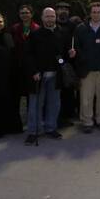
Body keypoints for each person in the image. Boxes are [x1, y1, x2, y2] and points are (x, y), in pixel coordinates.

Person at [23, 8, 68, 144]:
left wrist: (65, 59)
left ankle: (50, 128)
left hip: (56, 75)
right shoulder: (35, 34)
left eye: (52, 16)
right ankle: (33, 131)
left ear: (56, 17)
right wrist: (34, 71)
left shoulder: (61, 33)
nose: (50, 19)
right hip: (39, 75)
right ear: (42, 18)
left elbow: (62, 55)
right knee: (36, 104)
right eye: (47, 16)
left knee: (54, 104)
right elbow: (28, 55)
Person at [72, 2, 100, 133]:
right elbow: (76, 47)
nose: (96, 14)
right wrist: (79, 57)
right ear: (90, 13)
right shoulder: (81, 29)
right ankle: (87, 121)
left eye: (98, 12)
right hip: (86, 70)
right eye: (94, 12)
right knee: (86, 97)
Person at [9, 5, 40, 117]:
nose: (24, 15)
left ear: (31, 14)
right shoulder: (14, 28)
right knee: (15, 93)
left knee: (30, 94)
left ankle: (30, 117)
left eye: (27, 12)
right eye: (22, 13)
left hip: (31, 67)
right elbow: (11, 47)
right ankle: (14, 119)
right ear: (19, 14)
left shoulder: (37, 28)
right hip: (17, 65)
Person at [56, 1, 80, 126]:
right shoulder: (53, 25)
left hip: (70, 63)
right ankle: (58, 116)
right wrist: (61, 61)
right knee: (58, 92)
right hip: (57, 63)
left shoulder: (73, 26)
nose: (63, 11)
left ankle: (68, 115)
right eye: (60, 9)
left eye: (65, 9)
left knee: (69, 91)